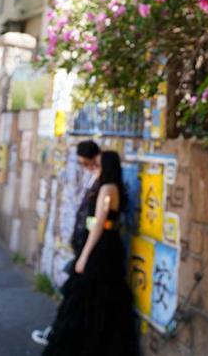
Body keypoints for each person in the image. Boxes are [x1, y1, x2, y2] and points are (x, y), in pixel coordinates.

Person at [41, 150, 141, 356]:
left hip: (100, 245)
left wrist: (84, 255)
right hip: (111, 244)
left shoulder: (106, 189)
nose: (95, 168)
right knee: (103, 295)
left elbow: (98, 225)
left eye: (99, 164)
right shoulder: (115, 188)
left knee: (85, 291)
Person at [31, 140, 102, 346]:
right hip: (85, 246)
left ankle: (57, 335)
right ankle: (61, 334)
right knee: (76, 296)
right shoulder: (95, 178)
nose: (85, 168)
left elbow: (98, 221)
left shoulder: (103, 182)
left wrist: (85, 254)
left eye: (86, 163)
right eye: (82, 164)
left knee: (73, 295)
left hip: (90, 249)